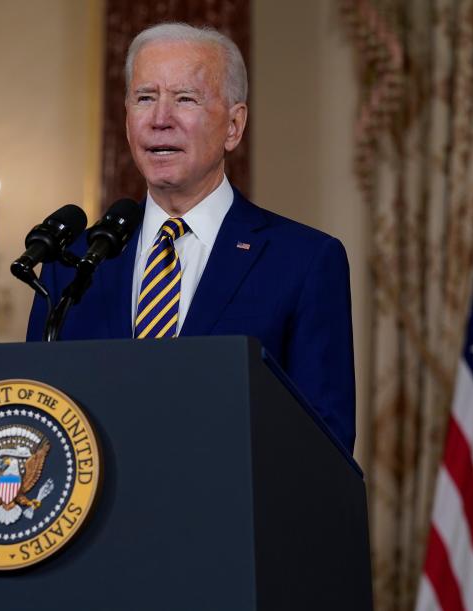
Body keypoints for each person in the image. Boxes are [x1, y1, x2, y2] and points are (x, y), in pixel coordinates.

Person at [27, 23, 356, 454]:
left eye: (185, 99)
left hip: (231, 518)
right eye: (145, 98)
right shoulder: (71, 262)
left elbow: (323, 446)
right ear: (127, 120)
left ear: (234, 126)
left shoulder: (304, 262)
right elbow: (34, 419)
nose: (161, 119)